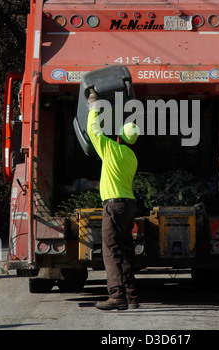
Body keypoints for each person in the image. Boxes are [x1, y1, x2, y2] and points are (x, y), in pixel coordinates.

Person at [87, 89, 140, 311]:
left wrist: (93, 106)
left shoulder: (111, 150)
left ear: (119, 136)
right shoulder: (132, 157)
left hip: (114, 206)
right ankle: (131, 296)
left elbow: (93, 131)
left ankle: (116, 296)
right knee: (126, 249)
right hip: (129, 205)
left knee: (111, 250)